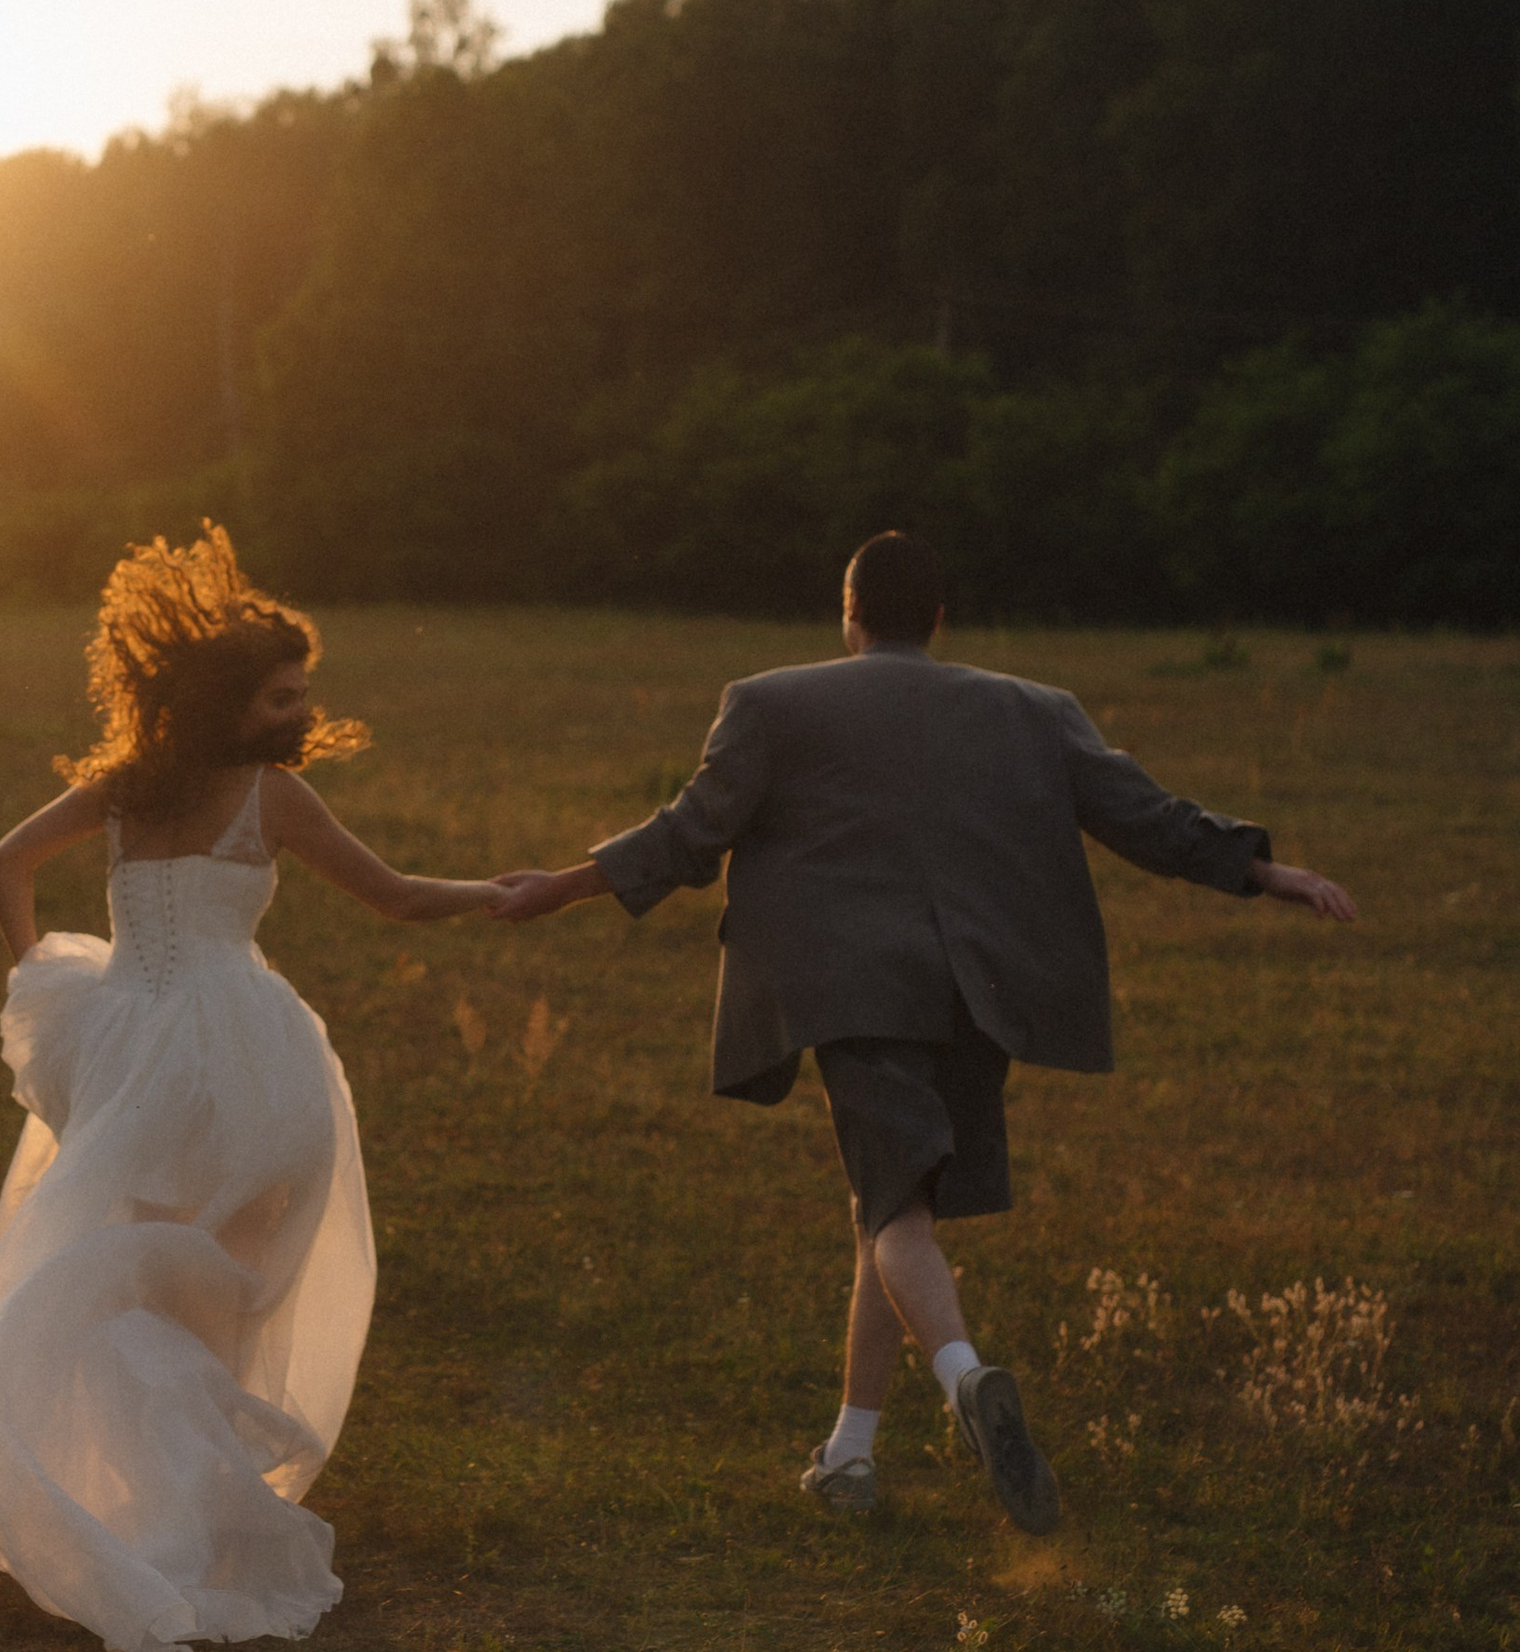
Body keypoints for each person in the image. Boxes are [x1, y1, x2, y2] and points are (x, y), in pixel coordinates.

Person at [487, 531, 1357, 1531]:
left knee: (891, 1208)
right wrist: (1263, 871)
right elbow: (1143, 813)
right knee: (893, 1203)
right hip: (977, 985)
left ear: (846, 609)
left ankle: (964, 1379)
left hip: (845, 984)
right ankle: (849, 1453)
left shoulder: (767, 699)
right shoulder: (1034, 709)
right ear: (939, 618)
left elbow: (690, 832)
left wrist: (560, 884)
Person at [0, 525, 497, 1652]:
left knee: (140, 1279)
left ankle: (162, 1502)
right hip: (241, 1057)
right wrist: (505, 889)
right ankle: (207, 1519)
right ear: (231, 704)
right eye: (282, 695)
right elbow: (395, 897)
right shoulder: (266, 798)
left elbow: (3, 864)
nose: (298, 711)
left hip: (132, 1051)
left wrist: (40, 976)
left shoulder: (126, 790)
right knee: (223, 1290)